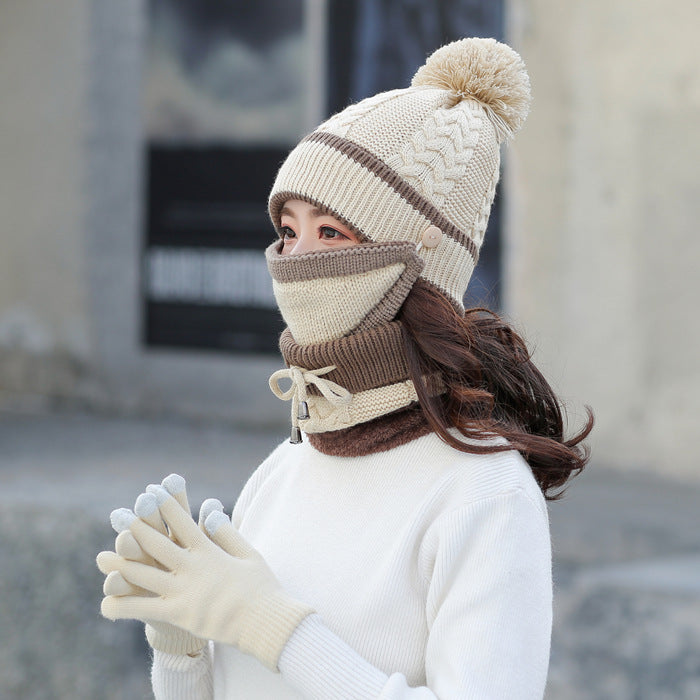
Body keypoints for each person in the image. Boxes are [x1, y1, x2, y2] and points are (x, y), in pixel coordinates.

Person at [97, 37, 592, 699]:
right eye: (288, 230)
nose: (297, 259)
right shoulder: (286, 469)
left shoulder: (485, 495)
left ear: (418, 258)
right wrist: (180, 643)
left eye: (332, 233)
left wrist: (273, 625)